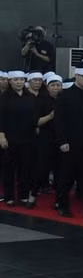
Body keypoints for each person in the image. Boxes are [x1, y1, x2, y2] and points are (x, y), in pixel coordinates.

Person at [54, 63, 83, 219]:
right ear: (77, 76)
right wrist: (62, 141)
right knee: (66, 176)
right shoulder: (65, 95)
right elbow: (59, 121)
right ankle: (63, 205)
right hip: (70, 142)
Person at [0, 70, 38, 208]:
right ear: (10, 81)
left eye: (21, 79)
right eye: (15, 79)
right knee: (9, 169)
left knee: (26, 169)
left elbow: (34, 118)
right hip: (10, 138)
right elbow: (1, 118)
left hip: (28, 138)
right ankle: (9, 196)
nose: (19, 82)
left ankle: (23, 195)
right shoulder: (5, 97)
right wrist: (2, 136)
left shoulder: (30, 97)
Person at [35, 75, 62, 196]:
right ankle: (41, 186)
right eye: (53, 85)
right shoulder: (41, 100)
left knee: (60, 165)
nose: (56, 88)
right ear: (47, 87)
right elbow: (36, 122)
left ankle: (58, 186)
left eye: (58, 85)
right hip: (46, 136)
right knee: (43, 164)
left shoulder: (64, 99)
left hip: (61, 137)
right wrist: (50, 116)